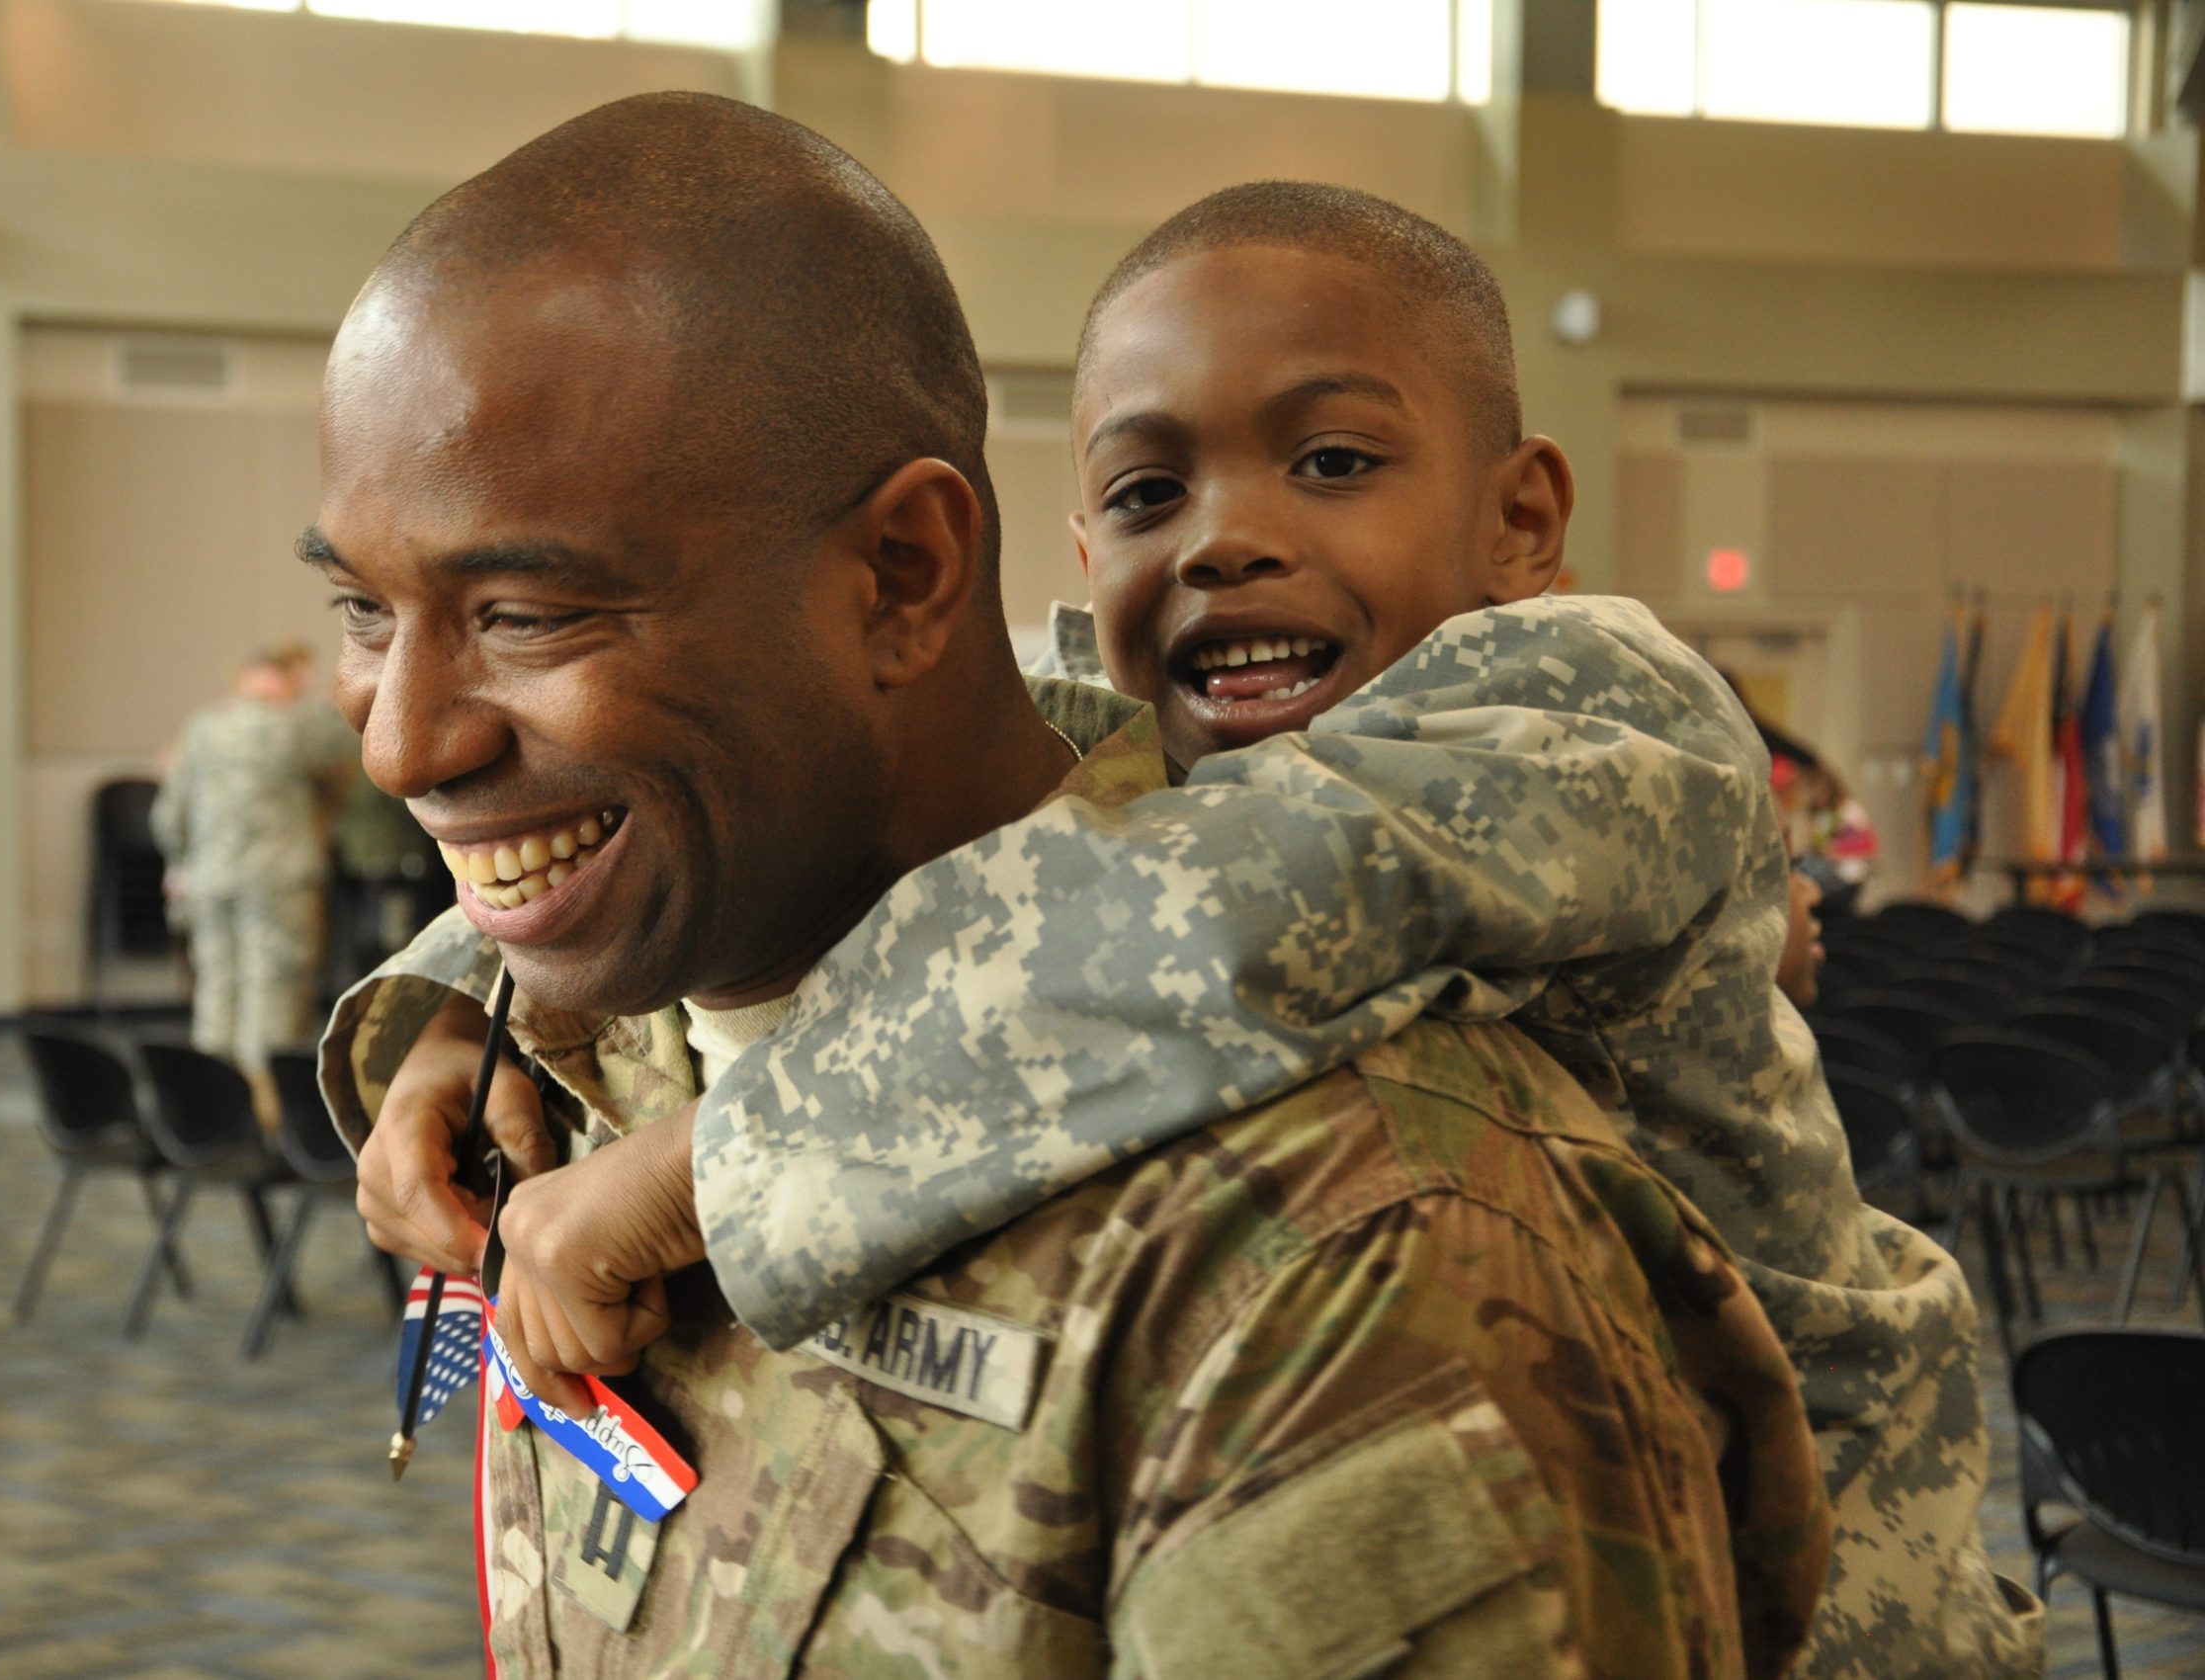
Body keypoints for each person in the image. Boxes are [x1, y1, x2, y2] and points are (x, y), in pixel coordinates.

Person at [348, 180, 2037, 1678]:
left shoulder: (1599, 711)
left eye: (1334, 461)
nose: (1227, 536)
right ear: (1086, 549)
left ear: (1523, 519)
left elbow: (1182, 927)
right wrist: (460, 1004)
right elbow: (1001, 710)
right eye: (1151, 493)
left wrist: (698, 1165)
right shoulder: (1202, 730)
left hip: (1840, 1592)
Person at [152, 639, 355, 1107]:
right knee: (273, 993)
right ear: (287, 679)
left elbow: (170, 811)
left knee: (216, 992)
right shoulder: (298, 727)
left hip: (209, 880)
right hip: (279, 885)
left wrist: (179, 864)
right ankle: (266, 1113)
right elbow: (354, 755)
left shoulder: (202, 729)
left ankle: (209, 1107)